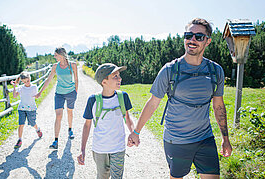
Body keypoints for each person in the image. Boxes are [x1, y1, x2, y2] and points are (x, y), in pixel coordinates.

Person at [127, 18, 232, 179]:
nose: (192, 40)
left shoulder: (215, 70)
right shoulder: (170, 70)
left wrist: (225, 138)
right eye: (188, 35)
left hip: (205, 138)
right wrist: (136, 132)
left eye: (199, 36)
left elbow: (219, 106)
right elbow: (153, 103)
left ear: (208, 41)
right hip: (176, 140)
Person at [77, 63, 134, 179]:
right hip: (100, 149)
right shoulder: (93, 100)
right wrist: (82, 150)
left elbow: (127, 118)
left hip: (118, 148)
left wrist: (133, 133)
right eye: (115, 76)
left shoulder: (123, 97)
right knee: (102, 176)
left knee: (117, 177)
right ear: (104, 82)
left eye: (119, 75)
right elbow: (87, 126)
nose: (120, 79)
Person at [34, 47, 78, 149]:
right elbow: (48, 80)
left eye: (56, 55)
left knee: (69, 111)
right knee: (58, 115)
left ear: (62, 55)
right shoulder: (55, 66)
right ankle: (56, 141)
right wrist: (40, 92)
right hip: (59, 94)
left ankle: (70, 129)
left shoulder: (73, 65)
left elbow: (76, 79)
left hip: (71, 92)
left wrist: (76, 92)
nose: (54, 57)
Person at [11, 72, 43, 149]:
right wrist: (15, 86)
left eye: (27, 81)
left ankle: (37, 129)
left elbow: (36, 96)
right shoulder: (21, 88)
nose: (26, 83)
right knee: (21, 124)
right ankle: (19, 139)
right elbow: (15, 96)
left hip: (31, 109)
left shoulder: (34, 87)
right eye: (24, 82)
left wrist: (37, 95)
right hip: (22, 108)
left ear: (30, 78)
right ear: (22, 81)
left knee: (32, 123)